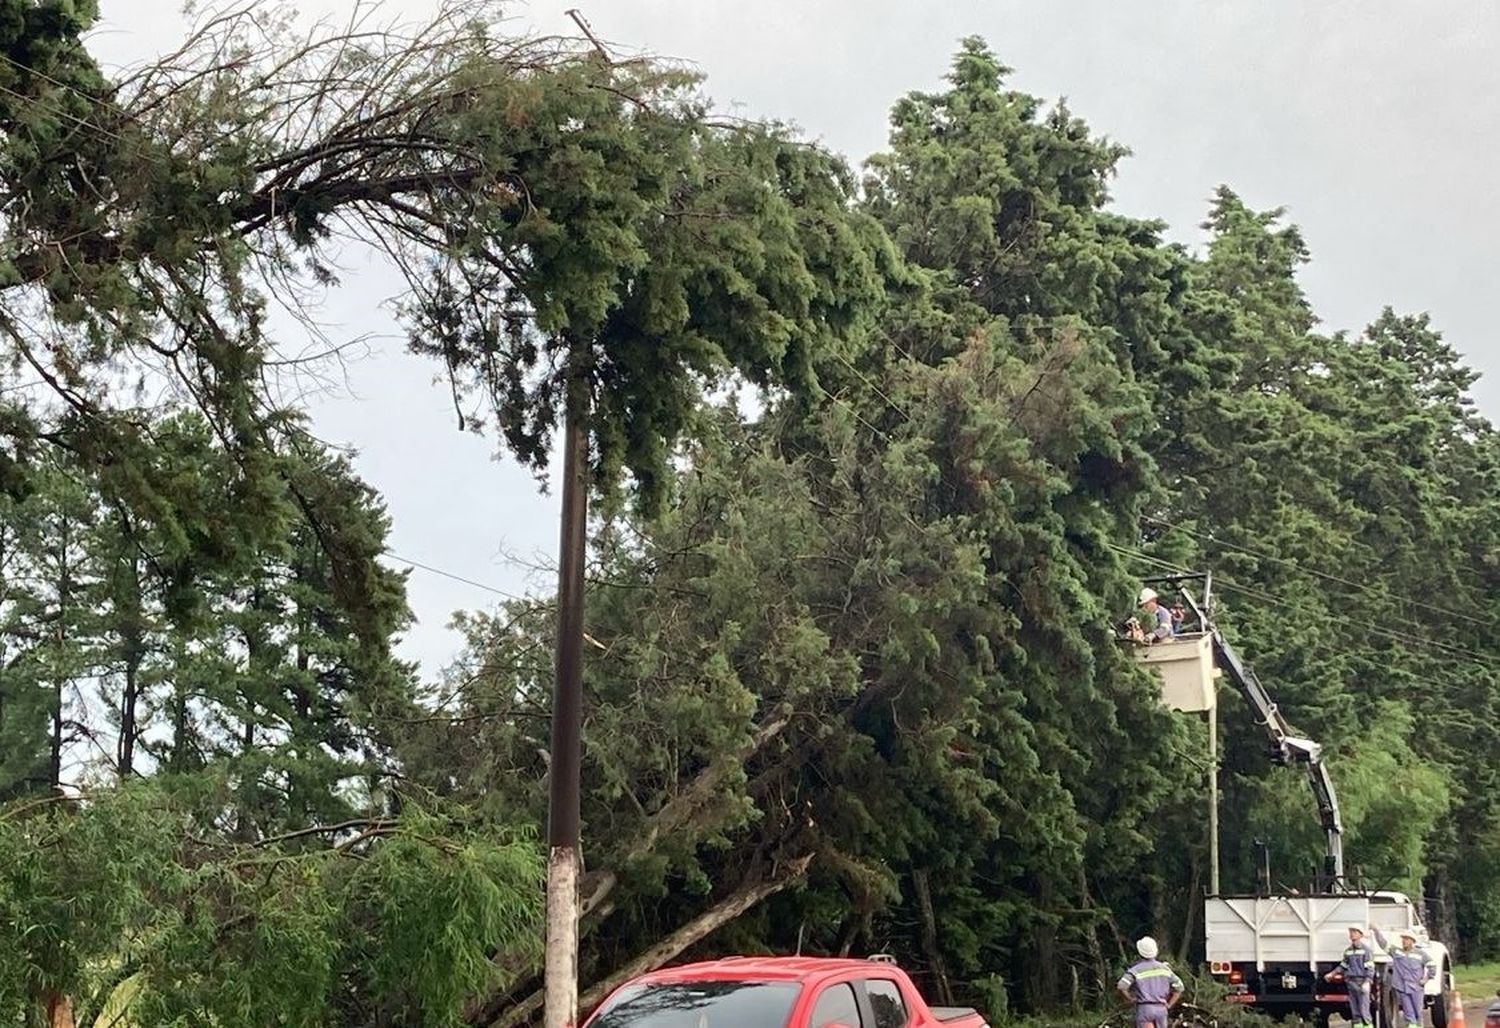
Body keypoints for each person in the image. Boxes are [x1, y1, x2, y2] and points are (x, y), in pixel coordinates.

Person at [1373, 926, 1437, 1028]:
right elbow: (1383, 944)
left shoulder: (1421, 954)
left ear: (1412, 941)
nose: (1404, 941)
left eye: (1406, 939)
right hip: (1402, 988)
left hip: (1416, 988)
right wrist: (1376, 931)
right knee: (1409, 1014)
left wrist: (1426, 979)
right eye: (1403, 939)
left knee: (1417, 1013)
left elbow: (1432, 965)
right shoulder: (1397, 952)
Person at [1117, 936, 1184, 1028]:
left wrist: (1130, 999)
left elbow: (1121, 986)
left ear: (1140, 952)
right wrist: (1169, 1004)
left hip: (1145, 1009)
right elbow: (1179, 987)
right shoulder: (1165, 969)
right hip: (1161, 1009)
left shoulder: (1136, 970)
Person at [1324, 924, 1377, 1027]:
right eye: (1351, 932)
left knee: (1364, 1010)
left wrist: (1367, 982)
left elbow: (1370, 968)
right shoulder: (1348, 951)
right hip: (1351, 983)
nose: (1352, 934)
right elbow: (1343, 966)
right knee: (1355, 1012)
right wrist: (1332, 973)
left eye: (1354, 932)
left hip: (1362, 983)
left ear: (1360, 935)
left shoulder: (1366, 951)